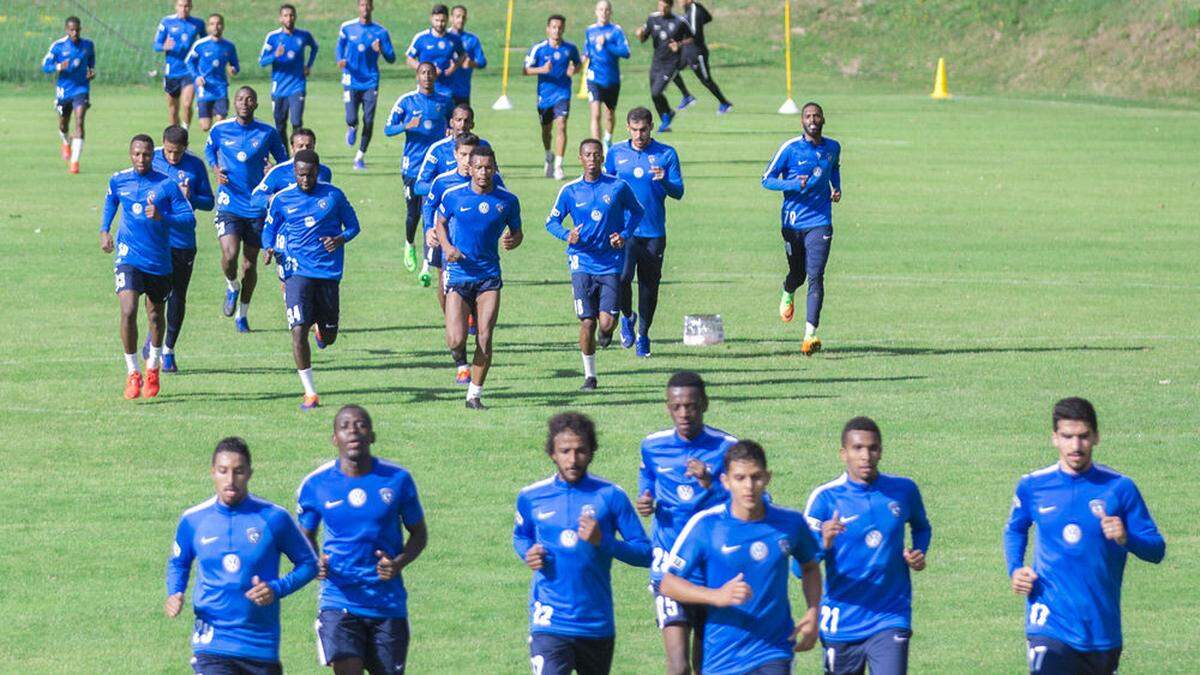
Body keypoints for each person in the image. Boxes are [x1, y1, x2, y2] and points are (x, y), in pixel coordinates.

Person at [1004, 397, 1165, 675]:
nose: (1075, 446)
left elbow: (1157, 550)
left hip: (1102, 631)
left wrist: (1127, 538)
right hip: (1049, 624)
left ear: (1096, 437)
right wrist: (1015, 569)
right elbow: (1015, 528)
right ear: (1055, 438)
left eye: (1083, 437)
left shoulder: (1119, 488)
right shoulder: (1033, 486)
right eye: (1067, 437)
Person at [662, 440, 823, 675]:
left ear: (767, 478)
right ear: (725, 481)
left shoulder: (790, 523)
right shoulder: (706, 526)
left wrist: (813, 611)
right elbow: (668, 583)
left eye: (756, 477)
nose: (749, 486)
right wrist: (716, 596)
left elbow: (809, 566)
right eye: (740, 478)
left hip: (774, 650)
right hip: (723, 657)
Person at [514, 412, 652, 675]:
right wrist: (527, 553)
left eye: (580, 451)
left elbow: (646, 553)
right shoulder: (531, 497)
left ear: (592, 452)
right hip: (549, 621)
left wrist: (604, 541)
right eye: (565, 451)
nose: (572, 459)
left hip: (596, 624)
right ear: (552, 453)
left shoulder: (610, 496)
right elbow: (521, 536)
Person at [165, 437, 317, 675]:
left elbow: (309, 564)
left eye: (238, 471)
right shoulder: (193, 520)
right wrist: (175, 592)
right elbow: (179, 562)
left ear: (249, 473)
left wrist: (277, 588)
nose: (230, 480)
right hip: (212, 644)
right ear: (212, 472)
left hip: (260, 647)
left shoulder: (274, 518)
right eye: (223, 471)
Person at [297, 405, 428, 675]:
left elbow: (419, 533)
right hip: (338, 600)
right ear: (335, 439)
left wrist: (398, 563)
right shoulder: (316, 484)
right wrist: (313, 563)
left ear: (372, 436)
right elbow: (304, 536)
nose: (353, 431)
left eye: (360, 425)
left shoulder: (397, 480)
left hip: (387, 602)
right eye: (344, 426)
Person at [803, 417, 931, 675]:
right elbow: (799, 568)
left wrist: (918, 552)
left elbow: (922, 526)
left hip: (890, 615)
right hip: (842, 621)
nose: (866, 456)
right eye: (857, 448)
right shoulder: (825, 499)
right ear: (843, 453)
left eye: (872, 448)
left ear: (881, 451)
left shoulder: (903, 490)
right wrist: (824, 543)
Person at [635, 371, 737, 675]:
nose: (684, 413)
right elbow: (647, 479)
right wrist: (645, 499)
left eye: (691, 406)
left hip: (714, 566)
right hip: (669, 566)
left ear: (704, 404)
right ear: (667, 407)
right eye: (676, 406)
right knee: (678, 667)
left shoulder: (728, 448)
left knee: (708, 667)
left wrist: (711, 484)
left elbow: (754, 501)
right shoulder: (652, 446)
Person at [262, 150, 360, 410]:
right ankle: (310, 392)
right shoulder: (282, 199)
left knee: (329, 336)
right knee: (297, 330)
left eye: (310, 174)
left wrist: (339, 239)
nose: (305, 180)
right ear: (294, 173)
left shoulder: (333, 196)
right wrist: (268, 247)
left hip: (328, 272)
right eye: (301, 175)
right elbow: (269, 229)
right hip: (296, 271)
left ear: (318, 171)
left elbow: (353, 226)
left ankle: (322, 329)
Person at [544, 139, 643, 391]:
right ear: (580, 158)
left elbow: (637, 212)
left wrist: (623, 234)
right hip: (581, 262)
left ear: (602, 158)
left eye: (596, 155)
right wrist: (567, 235)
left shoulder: (618, 187)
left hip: (610, 262)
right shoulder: (570, 190)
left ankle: (617, 323)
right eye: (587, 155)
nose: (592, 159)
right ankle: (590, 376)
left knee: (606, 325)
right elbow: (551, 222)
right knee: (587, 322)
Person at [100, 134, 193, 399]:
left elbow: (189, 220)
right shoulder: (119, 179)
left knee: (154, 316)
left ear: (154, 156)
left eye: (147, 154)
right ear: (131, 154)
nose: (142, 159)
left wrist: (164, 216)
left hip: (159, 261)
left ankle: (153, 366)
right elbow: (111, 202)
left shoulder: (167, 185)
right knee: (128, 310)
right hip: (129, 257)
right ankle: (132, 372)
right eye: (137, 154)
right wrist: (105, 230)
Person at [431, 146, 522, 409]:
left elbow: (517, 233)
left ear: (495, 168)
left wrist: (512, 240)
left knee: (485, 336)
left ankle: (474, 394)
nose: (483, 172)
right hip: (459, 275)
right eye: (479, 167)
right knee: (456, 340)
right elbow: (440, 222)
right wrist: (447, 248)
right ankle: (460, 360)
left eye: (488, 167)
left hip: (488, 276)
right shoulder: (453, 196)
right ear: (470, 169)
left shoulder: (507, 201)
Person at [761, 101, 841, 356]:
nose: (813, 120)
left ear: (823, 119)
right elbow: (766, 180)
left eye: (817, 115)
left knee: (816, 274)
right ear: (802, 121)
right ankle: (788, 289)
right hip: (793, 223)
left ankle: (810, 335)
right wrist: (794, 184)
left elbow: (834, 168)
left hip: (820, 221)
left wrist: (836, 187)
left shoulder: (833, 148)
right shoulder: (790, 148)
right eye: (808, 116)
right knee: (799, 275)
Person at [206, 86, 289, 333]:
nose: (244, 103)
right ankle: (232, 286)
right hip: (229, 204)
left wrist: (272, 169)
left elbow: (283, 162)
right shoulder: (220, 129)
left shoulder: (267, 132)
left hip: (256, 206)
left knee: (249, 265)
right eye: (240, 99)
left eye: (249, 99)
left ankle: (242, 314)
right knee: (230, 255)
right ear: (234, 103)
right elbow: (209, 149)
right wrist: (214, 168)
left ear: (256, 104)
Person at [604, 106, 683, 358]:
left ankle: (643, 335)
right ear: (628, 128)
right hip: (624, 231)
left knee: (649, 286)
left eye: (644, 130)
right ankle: (628, 317)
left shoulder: (666, 154)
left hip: (654, 232)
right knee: (623, 279)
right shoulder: (616, 153)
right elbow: (605, 187)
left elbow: (678, 191)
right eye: (635, 130)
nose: (639, 135)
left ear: (651, 128)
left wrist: (665, 181)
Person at [421, 133, 507, 333]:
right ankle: (454, 324)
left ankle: (474, 324)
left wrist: (500, 232)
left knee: (481, 289)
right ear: (456, 155)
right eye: (463, 154)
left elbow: (504, 206)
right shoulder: (443, 182)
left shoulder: (493, 180)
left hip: (480, 248)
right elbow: (429, 206)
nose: (468, 160)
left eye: (472, 154)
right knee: (444, 282)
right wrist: (428, 229)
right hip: (448, 244)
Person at [149, 124, 215, 373]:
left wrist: (191, 198)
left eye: (177, 153)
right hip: (154, 240)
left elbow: (209, 203)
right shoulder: (151, 159)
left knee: (177, 295)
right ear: (162, 145)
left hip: (182, 241)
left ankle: (168, 350)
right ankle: (153, 335)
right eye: (168, 152)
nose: (173, 157)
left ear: (185, 148)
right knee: (154, 295)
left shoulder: (195, 166)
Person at [385, 62, 452, 276]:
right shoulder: (406, 101)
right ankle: (409, 243)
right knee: (413, 213)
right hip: (412, 168)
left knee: (431, 213)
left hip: (436, 168)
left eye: (431, 73)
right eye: (423, 73)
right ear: (417, 76)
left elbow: (453, 121)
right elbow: (388, 129)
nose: (427, 77)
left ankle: (428, 264)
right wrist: (406, 125)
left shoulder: (444, 101)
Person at [250, 128, 334, 287]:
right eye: (300, 146)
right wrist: (274, 199)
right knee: (289, 284)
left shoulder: (324, 172)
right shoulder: (278, 172)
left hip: (313, 237)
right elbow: (255, 198)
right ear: (292, 148)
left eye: (308, 146)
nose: (304, 150)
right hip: (286, 236)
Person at [337, 0, 396, 171]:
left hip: (370, 81)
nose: (365, 8)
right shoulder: (347, 28)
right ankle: (352, 127)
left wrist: (382, 50)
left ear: (372, 7)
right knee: (351, 118)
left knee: (369, 120)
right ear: (358, 7)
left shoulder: (380, 31)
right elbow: (339, 47)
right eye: (362, 4)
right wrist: (340, 59)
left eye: (368, 5)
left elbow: (392, 58)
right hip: (351, 78)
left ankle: (359, 157)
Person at [524, 15, 581, 181]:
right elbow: (525, 70)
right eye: (554, 27)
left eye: (560, 27)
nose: (557, 30)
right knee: (546, 131)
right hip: (544, 96)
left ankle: (558, 166)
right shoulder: (539, 49)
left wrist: (574, 69)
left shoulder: (570, 48)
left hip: (563, 93)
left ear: (563, 29)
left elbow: (577, 64)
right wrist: (541, 69)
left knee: (561, 125)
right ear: (548, 29)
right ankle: (549, 155)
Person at [258, 3, 319, 150]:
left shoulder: (303, 35)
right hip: (279, 87)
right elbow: (262, 61)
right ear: (280, 18)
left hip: (297, 85)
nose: (289, 18)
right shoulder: (273, 37)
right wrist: (275, 55)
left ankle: (298, 153)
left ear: (295, 17)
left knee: (297, 121)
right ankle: (284, 153)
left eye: (291, 15)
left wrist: (308, 65)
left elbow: (315, 47)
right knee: (280, 123)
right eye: (285, 15)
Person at [41, 16, 95, 174]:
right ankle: (65, 142)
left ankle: (75, 162)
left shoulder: (88, 45)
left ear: (80, 29)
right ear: (66, 30)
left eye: (77, 29)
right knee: (63, 124)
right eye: (71, 30)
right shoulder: (58, 46)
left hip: (81, 89)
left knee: (79, 121)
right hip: (64, 91)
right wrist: (58, 66)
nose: (75, 33)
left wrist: (91, 72)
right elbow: (45, 66)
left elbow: (91, 62)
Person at [636, 0, 693, 133]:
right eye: (660, 4)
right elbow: (644, 37)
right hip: (656, 62)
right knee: (654, 94)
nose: (661, 8)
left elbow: (692, 39)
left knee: (657, 92)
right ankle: (666, 116)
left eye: (665, 6)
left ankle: (666, 117)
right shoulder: (652, 18)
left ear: (670, 6)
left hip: (671, 63)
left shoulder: (680, 21)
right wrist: (640, 34)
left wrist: (679, 45)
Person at [671, 0, 732, 115]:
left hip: (697, 52)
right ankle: (687, 96)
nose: (678, 1)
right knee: (671, 69)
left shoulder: (695, 10)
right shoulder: (691, 9)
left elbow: (695, 35)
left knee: (705, 80)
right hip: (687, 51)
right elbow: (709, 18)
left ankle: (724, 103)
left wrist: (679, 43)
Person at [583, 1, 630, 149]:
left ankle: (608, 139)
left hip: (611, 79)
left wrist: (607, 45)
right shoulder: (590, 30)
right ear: (596, 12)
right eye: (601, 9)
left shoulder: (616, 31)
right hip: (594, 78)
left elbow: (626, 52)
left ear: (610, 12)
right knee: (595, 114)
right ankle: (597, 147)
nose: (604, 12)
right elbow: (587, 51)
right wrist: (580, 60)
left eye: (607, 10)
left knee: (609, 115)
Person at [154, 0, 206, 130]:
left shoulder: (198, 23)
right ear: (176, 6)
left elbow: (205, 42)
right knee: (173, 109)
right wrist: (164, 46)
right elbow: (156, 44)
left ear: (191, 7)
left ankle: (185, 131)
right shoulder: (166, 22)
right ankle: (174, 137)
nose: (184, 9)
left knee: (187, 104)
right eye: (181, 6)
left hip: (189, 71)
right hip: (172, 71)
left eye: (187, 6)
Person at [184, 13, 239, 132]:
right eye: (212, 24)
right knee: (205, 127)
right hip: (205, 88)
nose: (216, 27)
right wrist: (196, 77)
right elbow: (189, 62)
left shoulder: (229, 46)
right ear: (208, 27)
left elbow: (235, 65)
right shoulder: (200, 45)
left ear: (223, 26)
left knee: (220, 124)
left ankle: (217, 148)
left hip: (220, 88)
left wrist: (233, 69)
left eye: (219, 24)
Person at [405, 4, 463, 100]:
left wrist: (455, 66)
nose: (440, 24)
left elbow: (463, 55)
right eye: (437, 20)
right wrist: (428, 70)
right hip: (425, 88)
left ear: (447, 19)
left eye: (443, 21)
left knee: (446, 114)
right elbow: (409, 59)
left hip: (447, 88)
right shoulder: (421, 38)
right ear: (431, 19)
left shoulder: (454, 39)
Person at [446, 5, 487, 105]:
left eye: (463, 17)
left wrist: (471, 64)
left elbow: (482, 62)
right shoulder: (444, 37)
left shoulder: (472, 39)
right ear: (451, 18)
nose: (461, 20)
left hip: (462, 90)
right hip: (444, 90)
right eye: (458, 16)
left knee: (462, 119)